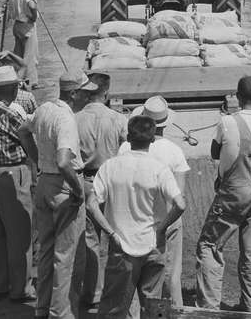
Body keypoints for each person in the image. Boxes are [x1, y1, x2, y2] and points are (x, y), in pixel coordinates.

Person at [195, 76, 251, 312]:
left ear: (237, 97)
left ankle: (208, 308)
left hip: (235, 190)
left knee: (210, 245)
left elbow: (214, 152)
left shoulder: (227, 122)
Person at [88, 115, 185, 319]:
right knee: (152, 308)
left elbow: (91, 204)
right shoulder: (159, 168)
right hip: (153, 245)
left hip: (121, 246)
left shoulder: (109, 167)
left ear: (128, 138)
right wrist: (161, 228)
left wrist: (110, 232)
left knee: (113, 308)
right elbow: (180, 204)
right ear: (152, 140)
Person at [18, 69, 88, 319]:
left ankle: (42, 308)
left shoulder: (45, 108)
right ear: (75, 93)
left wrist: (37, 161)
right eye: (85, 92)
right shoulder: (66, 119)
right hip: (63, 185)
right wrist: (78, 190)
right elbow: (63, 161)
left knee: (46, 250)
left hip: (45, 182)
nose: (88, 96)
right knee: (66, 255)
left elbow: (22, 131)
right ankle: (61, 313)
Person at [117, 96, 190, 306]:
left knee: (132, 278)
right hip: (167, 220)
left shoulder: (125, 149)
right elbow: (180, 196)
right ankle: (174, 311)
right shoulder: (175, 151)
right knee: (170, 276)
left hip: (134, 220)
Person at [0, 65, 35, 304]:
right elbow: (27, 141)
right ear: (10, 88)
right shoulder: (10, 114)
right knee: (20, 234)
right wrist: (38, 163)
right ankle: (20, 288)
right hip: (11, 174)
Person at [74, 72, 128, 308]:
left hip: (86, 181)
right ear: (106, 93)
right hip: (112, 180)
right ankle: (117, 292)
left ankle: (93, 292)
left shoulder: (75, 118)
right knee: (118, 236)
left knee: (90, 238)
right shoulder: (117, 119)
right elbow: (126, 148)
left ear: (87, 92)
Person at [7, 0, 40, 86]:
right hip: (27, 25)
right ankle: (30, 81)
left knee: (19, 54)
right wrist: (34, 17)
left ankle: (18, 78)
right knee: (30, 56)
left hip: (17, 25)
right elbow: (32, 5)